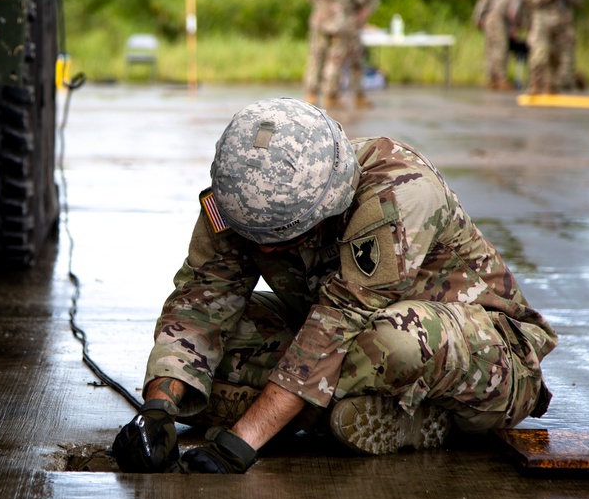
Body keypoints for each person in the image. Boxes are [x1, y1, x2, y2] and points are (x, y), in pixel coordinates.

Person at [112, 98, 557, 474]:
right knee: (208, 357)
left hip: (487, 361)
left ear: (330, 204)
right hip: (343, 342)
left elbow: (334, 327)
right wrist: (158, 410)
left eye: (282, 239)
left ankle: (421, 420)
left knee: (395, 339)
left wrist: (240, 444)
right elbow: (200, 302)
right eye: (254, 238)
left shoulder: (399, 192)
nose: (264, 252)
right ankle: (351, 415)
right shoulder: (242, 196)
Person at [303, 0, 380, 109]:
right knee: (335, 59)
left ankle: (311, 94)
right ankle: (331, 95)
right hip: (342, 21)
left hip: (319, 19)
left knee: (316, 56)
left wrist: (323, 6)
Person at [523, 0, 581, 94]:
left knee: (560, 55)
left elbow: (579, 0)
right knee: (539, 53)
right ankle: (536, 85)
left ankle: (553, 84)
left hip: (563, 20)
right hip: (544, 19)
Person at [476, 0, 525, 90]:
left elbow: (481, 6)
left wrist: (478, 19)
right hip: (497, 20)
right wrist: (514, 27)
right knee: (501, 48)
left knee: (491, 49)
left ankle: (492, 78)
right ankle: (501, 79)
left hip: (489, 18)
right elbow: (513, 12)